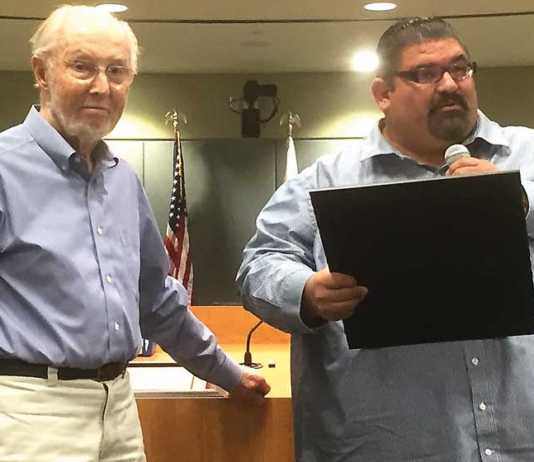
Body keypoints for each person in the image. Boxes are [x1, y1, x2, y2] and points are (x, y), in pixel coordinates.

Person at [237, 16, 534, 462]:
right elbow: (258, 267)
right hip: (387, 443)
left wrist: (520, 202)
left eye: (460, 69)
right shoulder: (327, 181)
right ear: (383, 94)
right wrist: (307, 293)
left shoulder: (527, 155)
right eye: (425, 73)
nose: (449, 84)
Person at [0, 5, 269, 462]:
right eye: (82, 66)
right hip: (28, 410)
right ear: (41, 73)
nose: (101, 86)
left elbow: (156, 301)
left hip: (120, 407)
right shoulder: (5, 168)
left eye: (117, 71)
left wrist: (227, 373)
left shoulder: (122, 179)